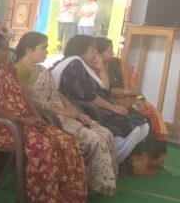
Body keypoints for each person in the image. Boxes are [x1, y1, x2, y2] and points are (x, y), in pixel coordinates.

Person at [0, 33, 88, 203]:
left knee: (67, 142)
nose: (8, 53)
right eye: (4, 50)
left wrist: (36, 116)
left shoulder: (8, 71)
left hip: (23, 122)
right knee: (44, 147)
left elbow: (24, 97)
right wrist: (21, 120)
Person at [15, 32, 117, 195]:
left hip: (62, 112)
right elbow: (26, 99)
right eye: (43, 48)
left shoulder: (41, 69)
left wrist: (73, 110)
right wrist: (60, 111)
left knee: (106, 134)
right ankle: (84, 185)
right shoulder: (19, 70)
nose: (47, 52)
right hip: (48, 116)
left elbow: (56, 92)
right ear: (29, 49)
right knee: (95, 140)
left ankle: (91, 182)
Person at [52, 35, 153, 166]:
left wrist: (102, 68)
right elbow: (87, 95)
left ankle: (110, 161)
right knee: (134, 129)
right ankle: (106, 161)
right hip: (87, 109)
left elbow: (104, 89)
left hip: (99, 106)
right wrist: (113, 108)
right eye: (92, 48)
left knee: (143, 126)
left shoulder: (82, 64)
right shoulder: (74, 64)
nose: (95, 52)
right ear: (82, 50)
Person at [94, 37, 167, 171]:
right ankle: (130, 164)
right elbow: (109, 92)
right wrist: (128, 93)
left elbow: (135, 89)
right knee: (142, 119)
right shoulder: (95, 68)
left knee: (152, 114)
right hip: (112, 103)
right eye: (109, 51)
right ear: (98, 53)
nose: (113, 53)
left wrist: (139, 98)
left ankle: (148, 162)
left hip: (128, 100)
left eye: (112, 50)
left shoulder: (117, 64)